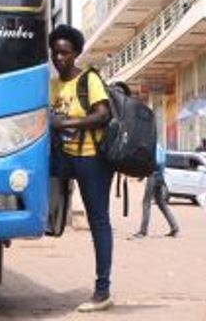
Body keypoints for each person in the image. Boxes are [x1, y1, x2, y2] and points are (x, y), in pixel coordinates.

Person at [49, 23, 114, 312]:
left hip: (91, 158)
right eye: (55, 52)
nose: (59, 58)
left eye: (64, 52)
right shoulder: (53, 85)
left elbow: (103, 114)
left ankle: (103, 291)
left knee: (98, 221)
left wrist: (68, 122)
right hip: (64, 157)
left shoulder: (88, 79)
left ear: (75, 53)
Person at [132, 140, 179, 239]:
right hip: (160, 177)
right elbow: (161, 163)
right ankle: (174, 227)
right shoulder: (160, 147)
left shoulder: (153, 147)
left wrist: (143, 173)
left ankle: (143, 231)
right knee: (161, 203)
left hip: (153, 177)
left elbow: (154, 164)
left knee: (146, 203)